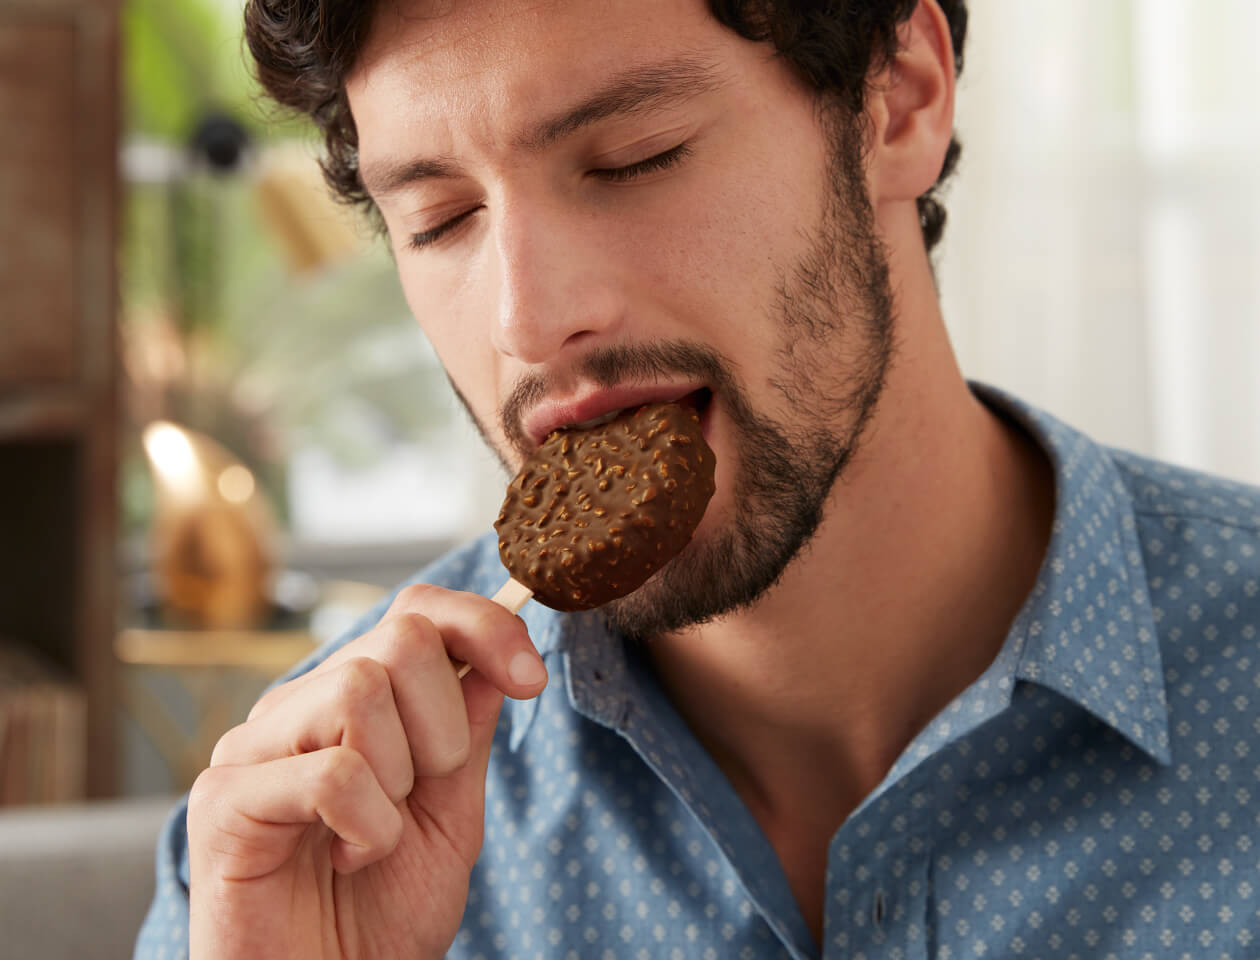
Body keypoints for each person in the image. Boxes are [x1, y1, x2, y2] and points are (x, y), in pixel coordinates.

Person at [136, 1, 1260, 957]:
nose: (527, 321)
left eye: (633, 158)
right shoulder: (307, 840)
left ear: (901, 97)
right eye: (442, 220)